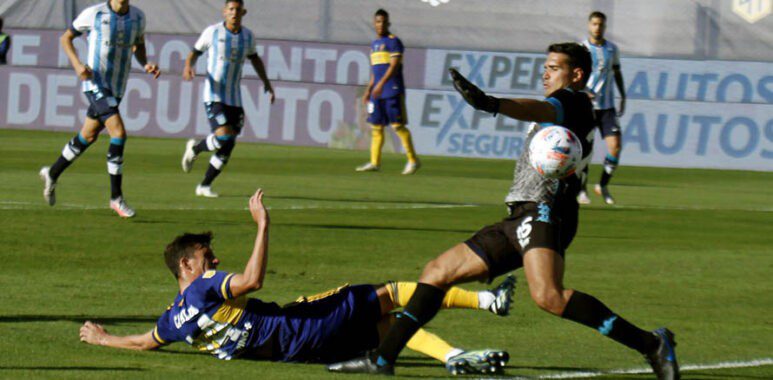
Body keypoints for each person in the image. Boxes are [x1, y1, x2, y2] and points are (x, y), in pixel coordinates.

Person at [328, 43, 679, 380]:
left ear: (576, 75)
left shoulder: (571, 102)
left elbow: (535, 109)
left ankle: (651, 344)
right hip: (520, 216)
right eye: (545, 68)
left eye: (554, 69)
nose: (546, 75)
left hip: (545, 212)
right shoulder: (566, 104)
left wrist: (490, 103)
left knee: (549, 297)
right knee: (437, 271)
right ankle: (382, 359)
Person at [79, 188, 516, 375]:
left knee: (388, 326)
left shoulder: (176, 318)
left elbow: (143, 342)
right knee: (391, 293)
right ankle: (487, 303)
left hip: (296, 354)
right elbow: (252, 281)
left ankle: (455, 355)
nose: (214, 260)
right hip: (299, 326)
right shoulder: (204, 285)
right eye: (206, 257)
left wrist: (101, 339)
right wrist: (263, 225)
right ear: (187, 267)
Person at [38, 0, 160, 218]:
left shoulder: (138, 17)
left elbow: (138, 45)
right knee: (119, 133)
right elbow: (66, 37)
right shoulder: (94, 14)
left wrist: (146, 64)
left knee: (88, 135)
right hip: (95, 84)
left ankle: (52, 173)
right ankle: (116, 198)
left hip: (118, 86)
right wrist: (77, 65)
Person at [180, 0, 275, 198]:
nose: (234, 13)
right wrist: (189, 65)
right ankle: (196, 148)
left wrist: (266, 81)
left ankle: (204, 186)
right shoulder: (212, 32)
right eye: (231, 9)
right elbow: (195, 52)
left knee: (229, 143)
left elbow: (255, 58)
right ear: (224, 12)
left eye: (238, 10)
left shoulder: (247, 36)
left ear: (244, 12)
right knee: (224, 136)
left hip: (235, 97)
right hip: (214, 94)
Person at [355, 8, 420, 175]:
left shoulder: (394, 42)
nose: (380, 25)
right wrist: (369, 89)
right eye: (378, 22)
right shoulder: (374, 45)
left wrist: (380, 84)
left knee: (398, 126)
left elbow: (393, 66)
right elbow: (375, 71)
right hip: (377, 92)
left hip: (392, 90)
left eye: (383, 22)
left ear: (388, 23)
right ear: (374, 23)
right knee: (376, 127)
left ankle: (413, 160)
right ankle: (374, 162)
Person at [577, 11, 626, 205]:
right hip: (586, 107)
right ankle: (582, 190)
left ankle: (603, 185)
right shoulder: (582, 48)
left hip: (607, 107)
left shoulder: (612, 49)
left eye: (601, 25)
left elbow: (617, 71)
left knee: (616, 147)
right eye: (595, 24)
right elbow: (575, 75)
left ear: (604, 27)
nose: (598, 28)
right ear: (589, 25)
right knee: (584, 151)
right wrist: (584, 91)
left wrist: (623, 94)